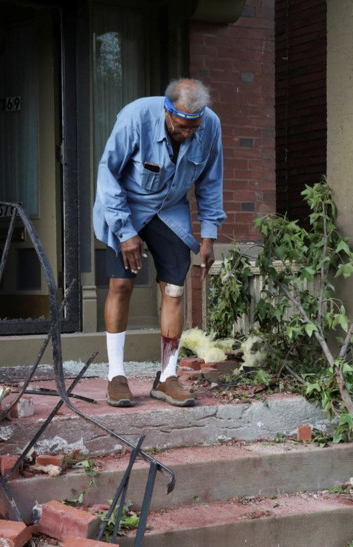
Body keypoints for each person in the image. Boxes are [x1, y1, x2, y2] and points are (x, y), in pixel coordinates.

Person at [93, 78, 225, 408]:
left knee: (175, 289)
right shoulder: (135, 117)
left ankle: (166, 377)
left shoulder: (210, 126)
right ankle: (116, 375)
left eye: (194, 127)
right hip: (126, 207)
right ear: (168, 112)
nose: (188, 134)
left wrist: (208, 237)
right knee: (121, 284)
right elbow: (107, 174)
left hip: (170, 210)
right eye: (182, 127)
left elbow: (211, 181)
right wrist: (125, 233)